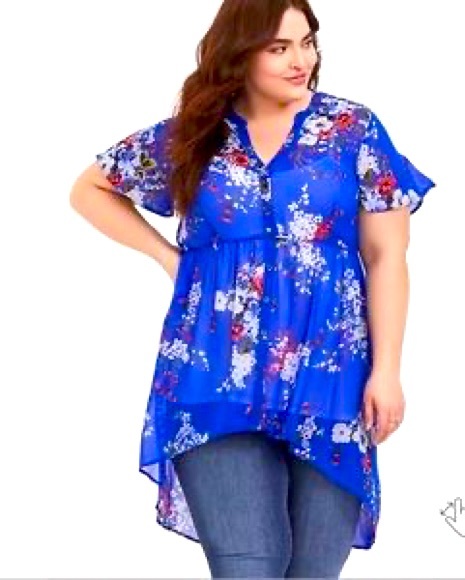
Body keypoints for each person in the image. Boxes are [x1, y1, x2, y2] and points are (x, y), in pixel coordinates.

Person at [70, 0, 436, 577]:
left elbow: (387, 255)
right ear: (239, 55)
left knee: (313, 570)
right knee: (250, 564)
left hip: (330, 379)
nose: (300, 61)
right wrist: (169, 258)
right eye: (279, 48)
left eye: (307, 43)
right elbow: (90, 189)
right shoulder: (196, 135)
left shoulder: (352, 130)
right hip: (215, 371)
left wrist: (387, 370)